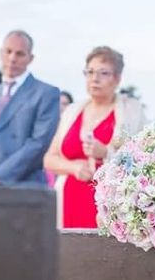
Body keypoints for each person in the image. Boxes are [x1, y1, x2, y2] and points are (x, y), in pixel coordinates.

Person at [44, 46, 147, 228]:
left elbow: (142, 160)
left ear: (117, 79)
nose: (94, 78)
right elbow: (49, 159)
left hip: (110, 205)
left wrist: (105, 152)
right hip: (69, 200)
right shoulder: (71, 112)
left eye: (103, 73)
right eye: (90, 72)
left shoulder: (131, 111)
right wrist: (73, 167)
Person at [0, 30, 60, 187]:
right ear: (1, 53)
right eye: (8, 52)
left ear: (30, 58)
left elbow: (39, 143)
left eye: (20, 54)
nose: (12, 58)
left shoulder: (45, 93)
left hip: (24, 186)